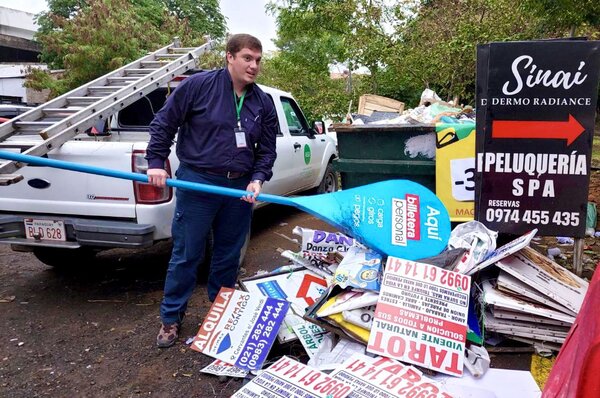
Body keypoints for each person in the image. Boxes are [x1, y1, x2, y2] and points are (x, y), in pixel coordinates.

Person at [145, 34, 278, 348]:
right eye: (247, 58)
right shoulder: (197, 86)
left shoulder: (262, 102)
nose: (254, 65)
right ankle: (171, 318)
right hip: (198, 183)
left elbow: (267, 151)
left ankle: (221, 313)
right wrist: (155, 162)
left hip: (239, 189)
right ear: (229, 57)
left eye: (258, 60)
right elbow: (164, 123)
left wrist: (257, 179)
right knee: (187, 254)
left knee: (228, 256)